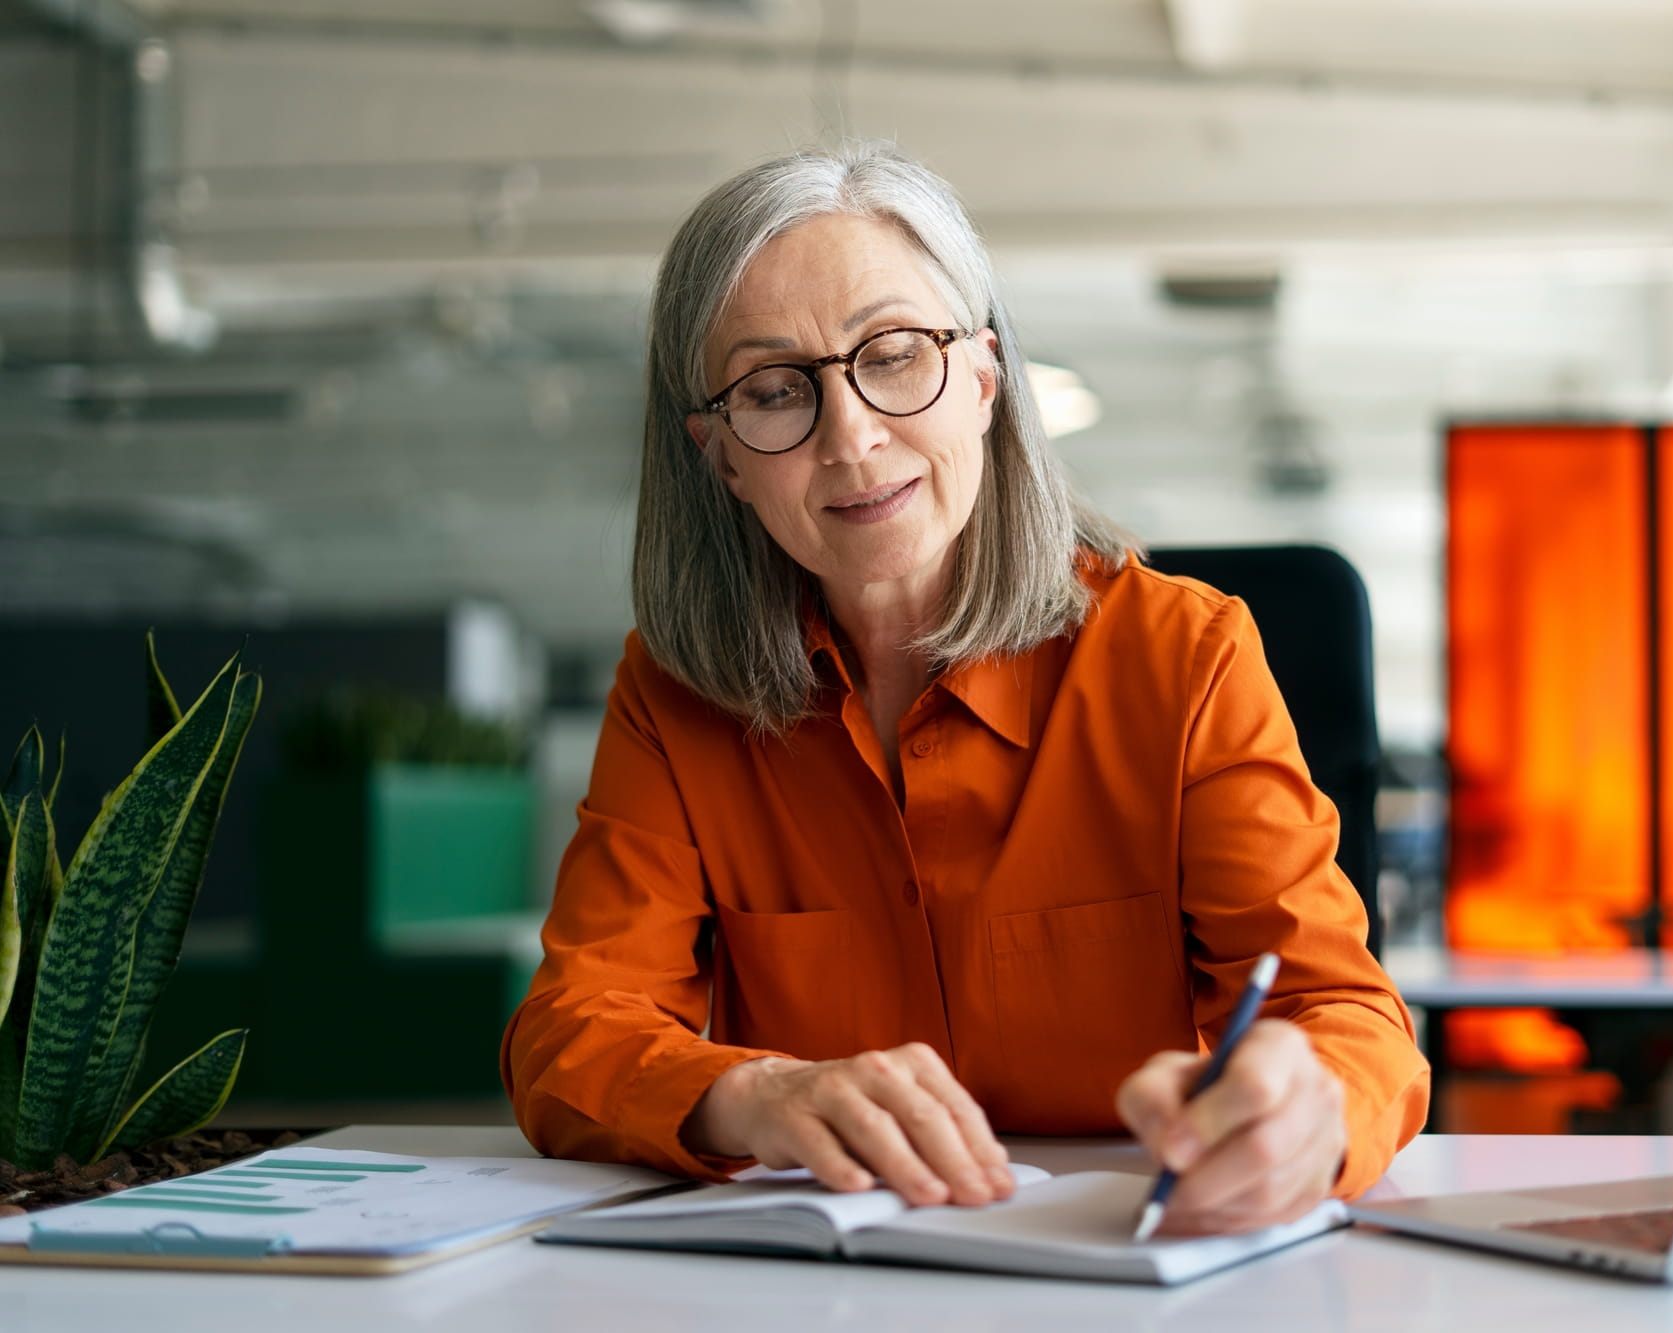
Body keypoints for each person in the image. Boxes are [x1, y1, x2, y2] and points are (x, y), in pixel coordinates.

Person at [501, 142, 1428, 1237]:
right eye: (773, 390)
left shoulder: (1184, 655)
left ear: (985, 380)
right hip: (826, 1287)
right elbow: (572, 1031)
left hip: (1135, 1266)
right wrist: (756, 1094)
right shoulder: (674, 694)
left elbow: (1341, 1015)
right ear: (721, 457)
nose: (851, 437)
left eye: (895, 355)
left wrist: (1303, 1112)